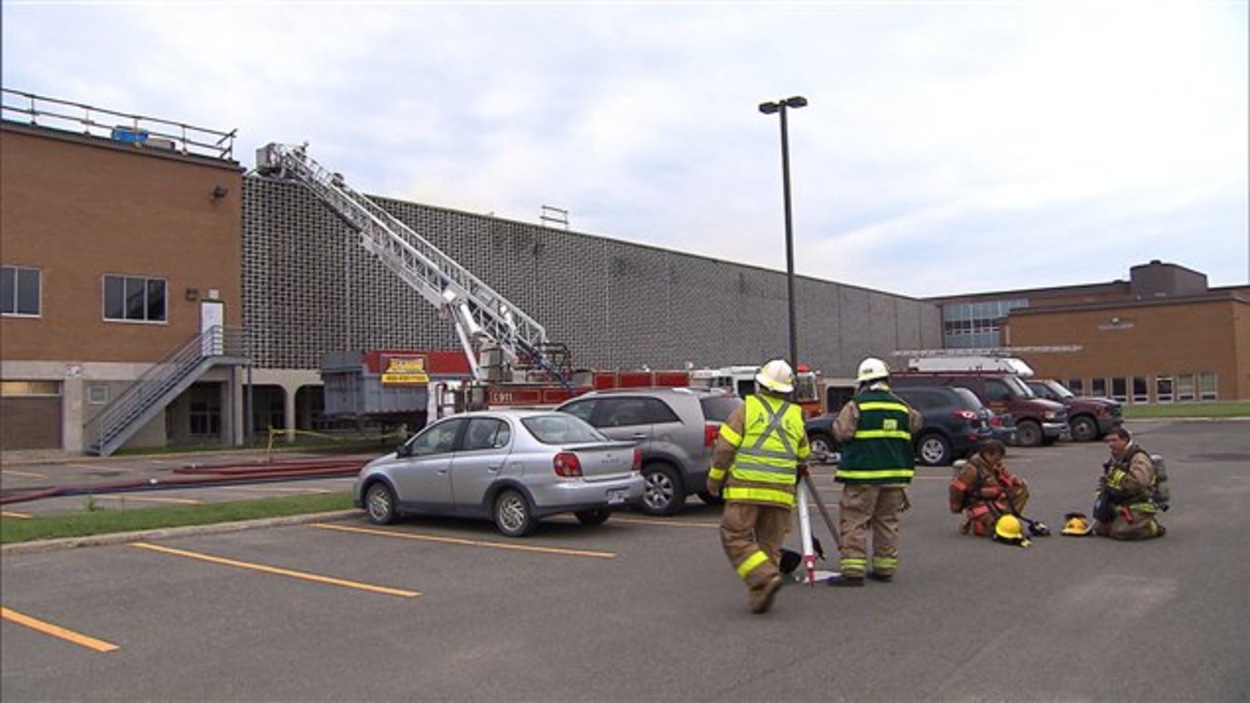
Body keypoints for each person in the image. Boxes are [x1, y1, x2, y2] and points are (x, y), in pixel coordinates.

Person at [706, 358, 812, 614]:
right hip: (781, 494)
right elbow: (804, 454)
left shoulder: (746, 409)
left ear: (760, 384)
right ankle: (761, 593)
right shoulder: (795, 415)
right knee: (769, 547)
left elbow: (724, 448)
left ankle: (763, 577)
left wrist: (714, 480)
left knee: (734, 536)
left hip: (746, 489)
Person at [826, 357, 922, 587]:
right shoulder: (901, 406)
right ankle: (884, 568)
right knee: (887, 521)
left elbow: (841, 432)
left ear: (864, 382)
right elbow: (916, 424)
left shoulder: (857, 404)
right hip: (894, 476)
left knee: (855, 520)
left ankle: (853, 570)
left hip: (863, 474)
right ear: (886, 378)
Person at [1094, 426, 1166, 540]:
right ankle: (1124, 521)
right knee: (1101, 529)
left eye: (1114, 440)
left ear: (1125, 440)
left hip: (1138, 502)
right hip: (1120, 503)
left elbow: (1139, 482)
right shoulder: (1117, 457)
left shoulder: (1139, 458)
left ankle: (1152, 527)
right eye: (1109, 441)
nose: (1110, 444)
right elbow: (1108, 478)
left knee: (1121, 532)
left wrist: (1119, 489)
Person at [948, 439, 1030, 537]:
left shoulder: (994, 464)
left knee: (1021, 491)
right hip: (979, 503)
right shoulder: (971, 469)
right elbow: (956, 488)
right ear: (987, 454)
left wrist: (1016, 482)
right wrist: (957, 506)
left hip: (996, 498)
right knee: (995, 529)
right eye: (996, 458)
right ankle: (973, 524)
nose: (998, 461)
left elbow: (1006, 476)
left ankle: (1007, 518)